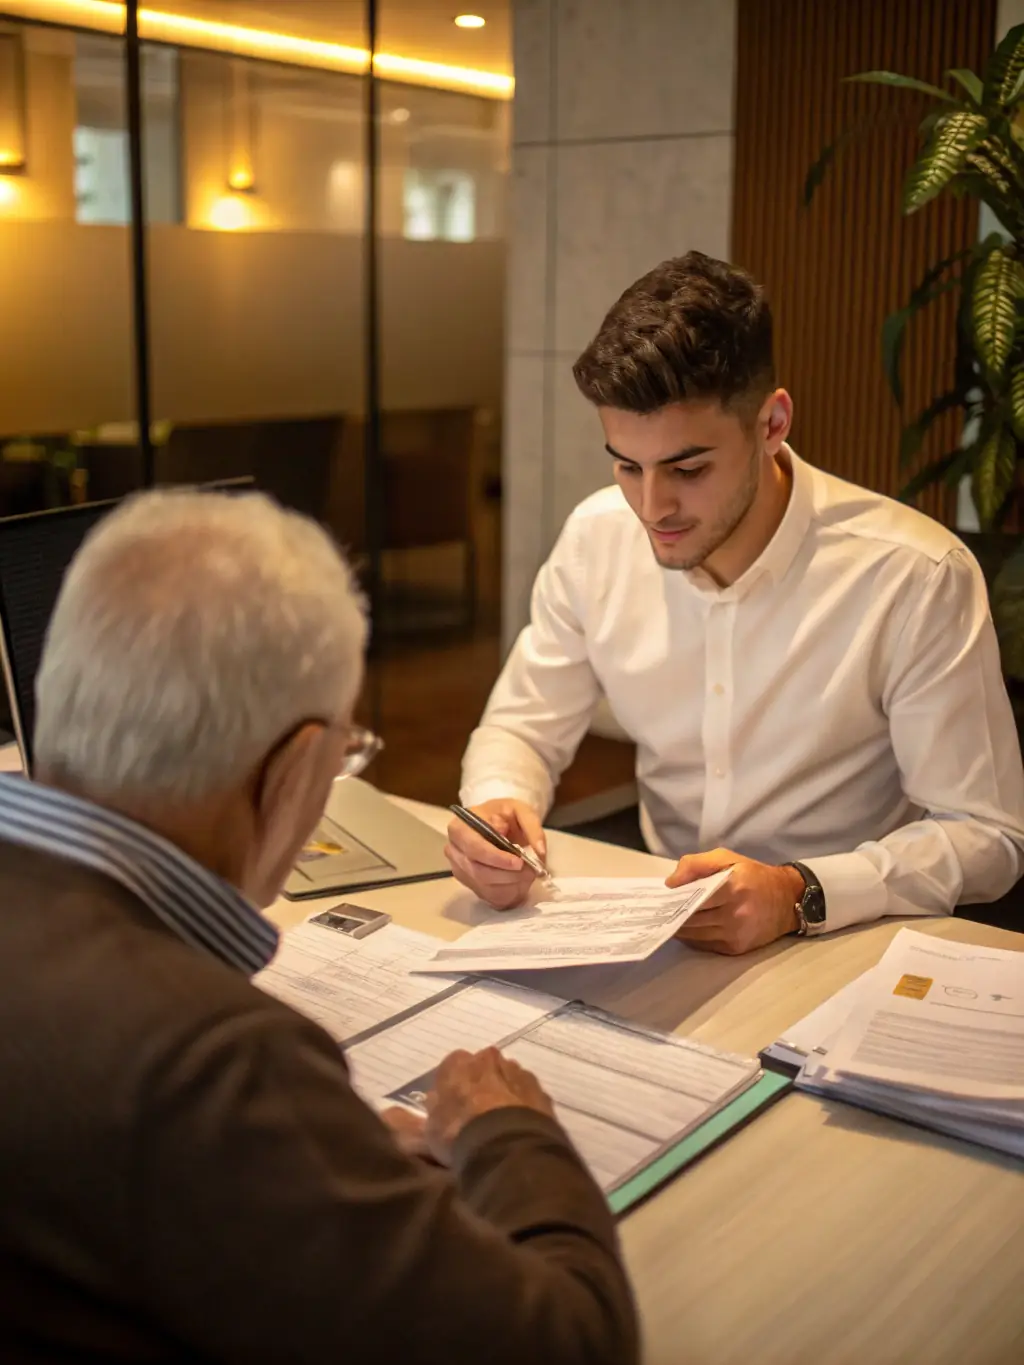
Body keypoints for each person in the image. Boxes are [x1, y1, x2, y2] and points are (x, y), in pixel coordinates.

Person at [0, 490, 638, 1364]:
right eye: (346, 752)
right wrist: (507, 1133)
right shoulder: (218, 1058)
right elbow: (573, 1343)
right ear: (301, 767)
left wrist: (300, 1158)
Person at [447, 251, 1024, 955]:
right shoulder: (595, 538)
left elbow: (988, 835)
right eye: (627, 464)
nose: (652, 506)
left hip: (846, 936)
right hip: (657, 927)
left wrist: (798, 891)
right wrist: (498, 806)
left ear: (772, 422)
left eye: (688, 469)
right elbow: (524, 728)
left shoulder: (913, 574)